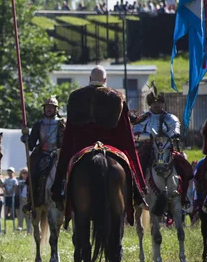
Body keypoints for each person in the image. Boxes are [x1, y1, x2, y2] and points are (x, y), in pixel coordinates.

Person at [51, 66, 147, 226]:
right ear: (105, 80)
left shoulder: (76, 97)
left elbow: (70, 134)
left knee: (65, 163)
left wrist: (66, 158)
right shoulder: (117, 97)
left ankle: (59, 191)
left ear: (89, 79)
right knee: (127, 166)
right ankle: (137, 194)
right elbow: (125, 136)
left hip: (80, 147)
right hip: (110, 145)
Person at [132, 83, 194, 208]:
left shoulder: (171, 118)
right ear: (150, 103)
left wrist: (171, 135)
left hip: (167, 148)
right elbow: (136, 134)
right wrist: (149, 137)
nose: (157, 104)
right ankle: (138, 194)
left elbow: (176, 129)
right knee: (139, 167)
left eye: (159, 102)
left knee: (185, 167)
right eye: (154, 102)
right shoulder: (143, 118)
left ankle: (183, 196)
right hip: (148, 148)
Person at [23, 95, 65, 213]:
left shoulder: (62, 123)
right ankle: (32, 201)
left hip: (57, 154)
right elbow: (31, 145)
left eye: (51, 107)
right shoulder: (38, 124)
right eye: (47, 107)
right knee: (33, 174)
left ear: (56, 109)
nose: (49, 109)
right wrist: (26, 138)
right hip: (42, 154)